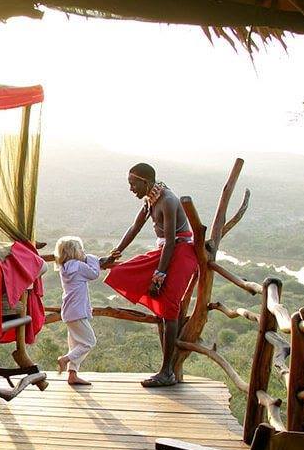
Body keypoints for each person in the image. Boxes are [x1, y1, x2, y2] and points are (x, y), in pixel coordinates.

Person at [104, 162, 200, 387]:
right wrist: (115, 253)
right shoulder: (151, 199)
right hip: (165, 251)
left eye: (132, 184)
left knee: (169, 307)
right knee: (123, 271)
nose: (131, 189)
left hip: (180, 252)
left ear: (145, 182)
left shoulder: (166, 199)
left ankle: (167, 372)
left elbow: (170, 243)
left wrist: (159, 276)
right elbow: (134, 227)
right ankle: (167, 370)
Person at [54, 235, 112, 386]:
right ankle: (65, 359)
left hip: (69, 311)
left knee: (75, 344)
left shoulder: (64, 267)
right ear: (74, 251)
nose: (83, 251)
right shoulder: (79, 267)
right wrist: (91, 257)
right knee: (89, 342)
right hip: (77, 311)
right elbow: (94, 274)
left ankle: (72, 375)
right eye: (81, 249)